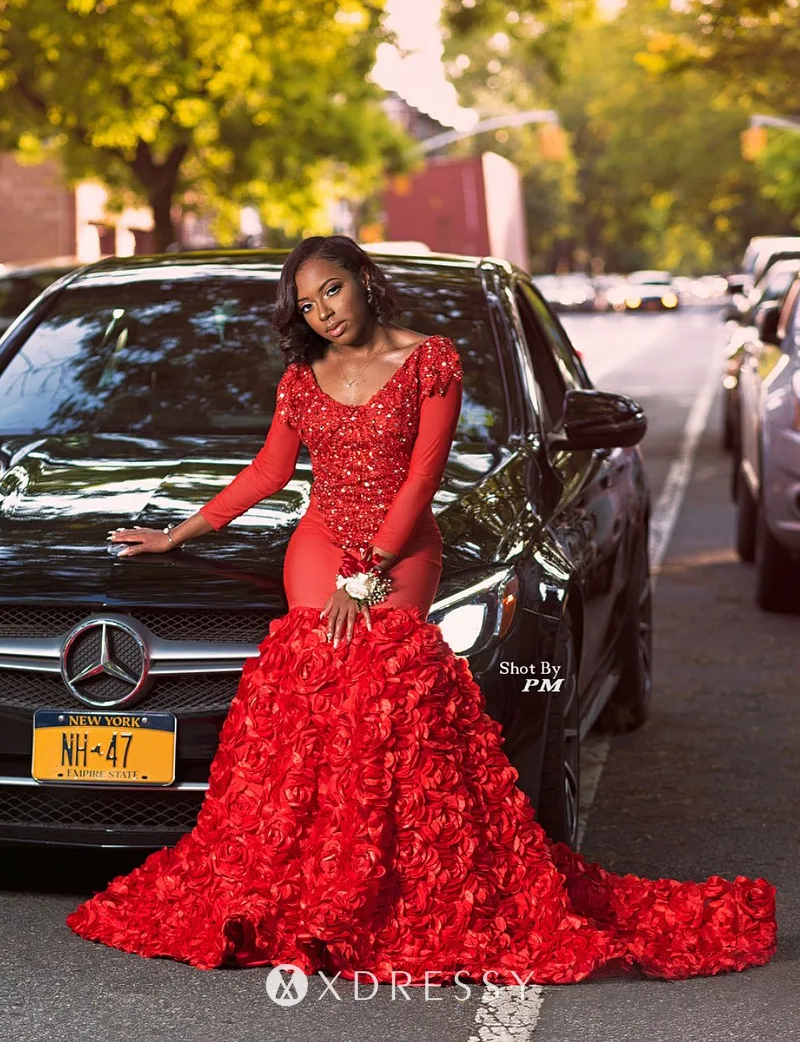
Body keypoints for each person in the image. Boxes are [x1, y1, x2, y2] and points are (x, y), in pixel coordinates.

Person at [66, 236, 777, 983]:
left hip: (401, 551)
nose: (323, 314)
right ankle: (311, 891)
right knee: (312, 703)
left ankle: (384, 890)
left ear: (365, 281)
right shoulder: (301, 377)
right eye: (306, 305)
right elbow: (270, 473)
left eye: (331, 292)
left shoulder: (430, 361)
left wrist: (365, 575)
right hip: (316, 544)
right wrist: (179, 531)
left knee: (388, 700)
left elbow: (419, 482)